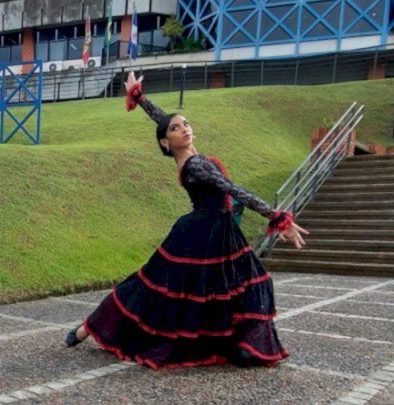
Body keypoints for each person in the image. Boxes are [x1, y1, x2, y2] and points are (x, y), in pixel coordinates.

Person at [64, 71, 308, 369]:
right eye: (177, 129)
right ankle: (88, 327)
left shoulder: (190, 155)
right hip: (199, 233)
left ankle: (244, 346)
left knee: (238, 287)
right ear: (166, 144)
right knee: (152, 288)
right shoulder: (196, 165)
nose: (184, 129)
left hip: (221, 231)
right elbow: (233, 189)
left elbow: (161, 120)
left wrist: (139, 98)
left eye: (186, 124)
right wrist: (277, 216)